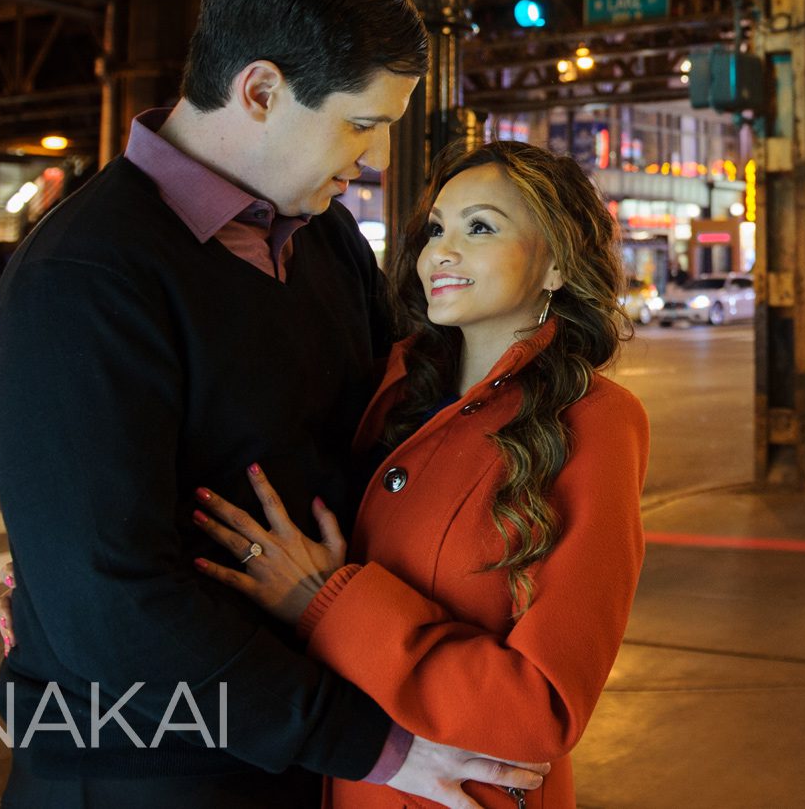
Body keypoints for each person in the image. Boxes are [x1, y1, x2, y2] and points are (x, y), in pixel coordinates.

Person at [0, 0, 545, 808]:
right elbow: (113, 604)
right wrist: (379, 748)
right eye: (363, 122)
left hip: (294, 743)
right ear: (259, 91)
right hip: (148, 770)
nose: (379, 159)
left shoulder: (321, 239)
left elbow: (390, 447)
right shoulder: (85, 276)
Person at [194, 140, 650, 809]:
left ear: (556, 262)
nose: (442, 251)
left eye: (481, 227)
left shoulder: (594, 421)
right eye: (437, 228)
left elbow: (543, 707)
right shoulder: (395, 386)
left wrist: (330, 602)